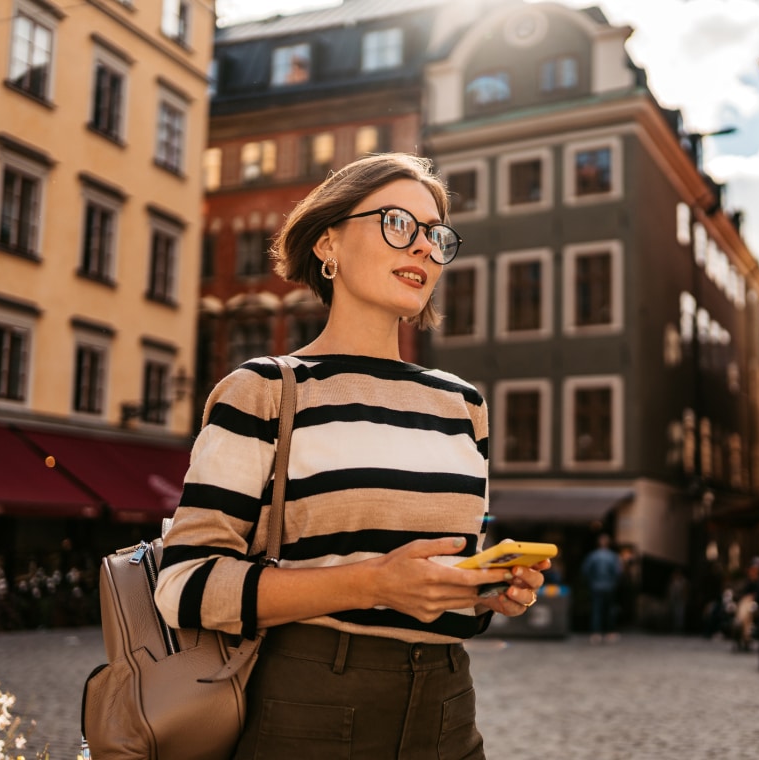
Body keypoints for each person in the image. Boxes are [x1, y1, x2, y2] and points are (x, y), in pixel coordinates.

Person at [154, 153, 549, 759]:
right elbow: (184, 584)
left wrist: (482, 593)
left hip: (448, 710)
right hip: (310, 709)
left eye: (435, 235)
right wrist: (372, 584)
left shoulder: (462, 405)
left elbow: (442, 585)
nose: (424, 247)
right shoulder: (264, 390)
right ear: (328, 242)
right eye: (398, 223)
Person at [581, 533, 623, 644]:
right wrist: (614, 582)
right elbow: (618, 572)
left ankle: (596, 634)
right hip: (609, 586)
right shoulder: (613, 556)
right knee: (610, 610)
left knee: (596, 610)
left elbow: (585, 570)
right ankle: (610, 633)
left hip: (595, 586)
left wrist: (591, 581)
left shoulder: (593, 556)